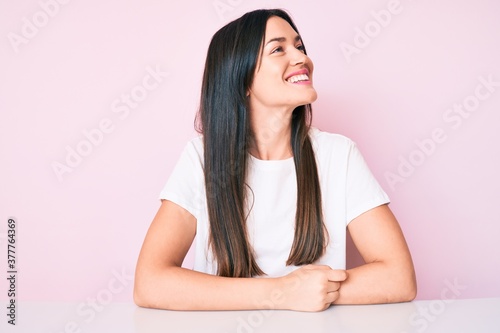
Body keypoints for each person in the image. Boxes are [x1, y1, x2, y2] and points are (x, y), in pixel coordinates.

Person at [134, 8, 416, 312]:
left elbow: (398, 277)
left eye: (299, 46)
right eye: (278, 49)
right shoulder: (201, 159)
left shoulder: (338, 154)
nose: (301, 58)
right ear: (241, 80)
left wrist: (309, 293)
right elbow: (149, 283)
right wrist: (282, 293)